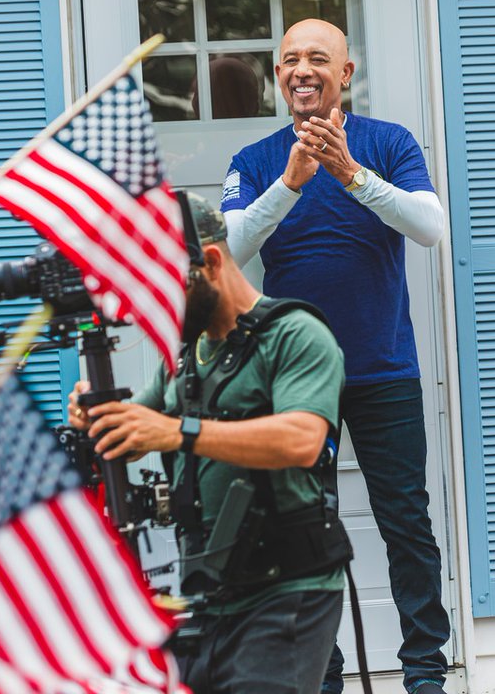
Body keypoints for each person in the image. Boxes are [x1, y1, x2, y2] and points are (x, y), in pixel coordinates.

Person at [219, 18, 450, 694]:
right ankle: (322, 678)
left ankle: (426, 676)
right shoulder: (256, 160)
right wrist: (290, 184)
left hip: (385, 371)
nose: (302, 70)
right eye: (290, 59)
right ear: (279, 75)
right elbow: (226, 253)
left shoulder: (389, 143)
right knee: (303, 532)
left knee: (406, 523)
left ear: (344, 73)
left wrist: (350, 175)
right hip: (296, 384)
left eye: (318, 58)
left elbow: (430, 228)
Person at [68, 193, 349, 694]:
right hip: (208, 592)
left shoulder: (296, 335)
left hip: (287, 589)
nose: (155, 309)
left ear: (211, 262)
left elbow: (303, 439)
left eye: (166, 290)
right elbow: (139, 431)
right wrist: (101, 421)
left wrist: (179, 432)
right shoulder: (187, 357)